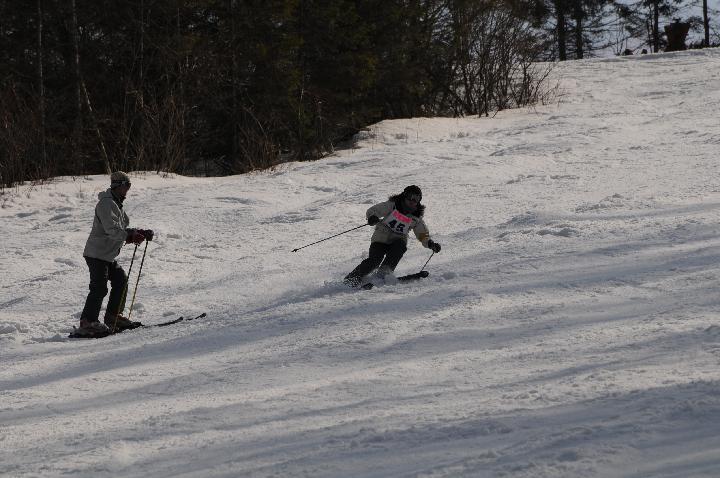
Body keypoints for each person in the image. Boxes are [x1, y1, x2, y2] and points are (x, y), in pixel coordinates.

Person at [75, 171, 154, 337]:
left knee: (120, 280)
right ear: (118, 186)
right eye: (127, 186)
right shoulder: (106, 204)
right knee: (99, 287)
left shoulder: (116, 204)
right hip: (96, 254)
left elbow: (120, 229)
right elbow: (111, 230)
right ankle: (87, 322)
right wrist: (130, 236)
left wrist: (138, 233)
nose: (128, 189)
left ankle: (113, 316)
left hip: (106, 255)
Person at [344, 185, 441, 288]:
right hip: (381, 239)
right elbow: (374, 210)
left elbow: (422, 233)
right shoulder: (392, 205)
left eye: (416, 199)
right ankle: (352, 278)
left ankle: (383, 273)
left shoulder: (416, 217)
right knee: (374, 261)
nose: (412, 201)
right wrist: (372, 217)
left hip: (397, 240)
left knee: (400, 246)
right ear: (404, 196)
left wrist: (430, 243)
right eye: (410, 197)